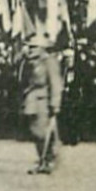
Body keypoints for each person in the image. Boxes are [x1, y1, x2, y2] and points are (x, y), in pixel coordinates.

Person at [20, 34, 63, 174]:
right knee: (34, 132)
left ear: (42, 48)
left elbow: (55, 83)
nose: (30, 49)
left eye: (33, 47)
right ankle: (42, 160)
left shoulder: (49, 62)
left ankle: (50, 160)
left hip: (43, 100)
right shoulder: (29, 62)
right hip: (31, 100)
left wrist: (55, 103)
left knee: (45, 132)